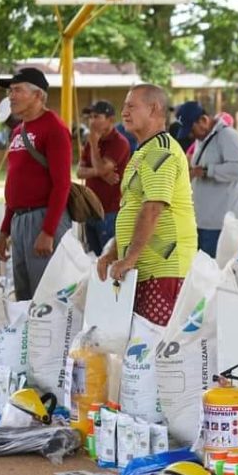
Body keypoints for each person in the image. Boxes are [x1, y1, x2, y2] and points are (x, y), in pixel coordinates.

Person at [97, 84, 198, 327]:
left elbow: (152, 209)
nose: (124, 112)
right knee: (140, 342)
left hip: (163, 269)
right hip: (145, 270)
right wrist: (113, 254)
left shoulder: (160, 150)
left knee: (153, 342)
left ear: (153, 109)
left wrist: (129, 258)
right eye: (124, 107)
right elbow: (132, 210)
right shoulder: (144, 150)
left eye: (131, 106)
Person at [0, 67, 72, 302]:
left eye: (17, 90)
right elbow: (15, 183)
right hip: (19, 219)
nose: (11, 96)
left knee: (45, 297)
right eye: (10, 91)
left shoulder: (54, 128)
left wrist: (48, 231)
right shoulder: (18, 131)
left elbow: (62, 184)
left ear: (38, 95)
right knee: (23, 294)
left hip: (43, 218)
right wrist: (4, 232)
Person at [174, 101, 238, 257]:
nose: (191, 135)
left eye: (192, 130)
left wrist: (208, 171)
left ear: (203, 120)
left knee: (213, 268)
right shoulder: (202, 138)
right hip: (201, 221)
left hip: (219, 224)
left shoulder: (227, 136)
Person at [77, 100, 131, 255]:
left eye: (96, 117)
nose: (91, 121)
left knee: (108, 258)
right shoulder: (92, 141)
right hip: (90, 209)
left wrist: (94, 145)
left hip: (109, 212)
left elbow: (100, 168)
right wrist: (101, 174)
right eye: (90, 117)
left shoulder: (119, 143)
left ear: (111, 119)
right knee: (92, 258)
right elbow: (79, 172)